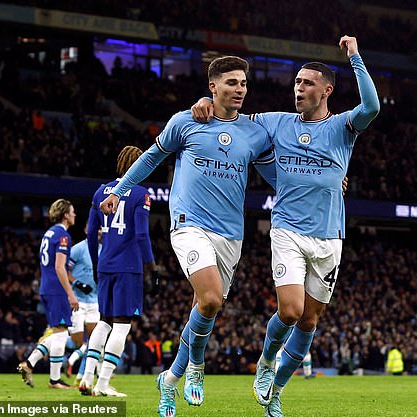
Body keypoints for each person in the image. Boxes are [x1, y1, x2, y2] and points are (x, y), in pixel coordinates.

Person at [194, 35, 380, 417]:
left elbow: (372, 106)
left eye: (307, 83)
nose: (298, 88)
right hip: (288, 231)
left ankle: (276, 392)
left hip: (330, 236)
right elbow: (234, 119)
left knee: (310, 319)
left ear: (327, 90)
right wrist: (203, 103)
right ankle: (266, 363)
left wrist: (355, 57)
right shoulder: (276, 123)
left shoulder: (344, 126)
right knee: (292, 311)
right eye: (296, 82)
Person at [99, 56, 276, 417]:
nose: (239, 89)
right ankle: (196, 365)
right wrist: (120, 188)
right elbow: (151, 158)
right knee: (210, 299)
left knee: (203, 307)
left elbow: (278, 177)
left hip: (231, 234)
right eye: (231, 83)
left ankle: (169, 380)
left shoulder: (255, 133)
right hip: (189, 224)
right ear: (213, 87)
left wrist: (323, 186)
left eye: (243, 83)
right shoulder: (187, 121)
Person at [78, 145, 157, 397]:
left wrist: (94, 263)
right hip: (129, 267)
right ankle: (102, 384)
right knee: (121, 326)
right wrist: (152, 266)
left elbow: (91, 234)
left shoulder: (100, 191)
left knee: (104, 321)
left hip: (105, 265)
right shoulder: (140, 194)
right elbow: (143, 234)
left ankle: (86, 377)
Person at [17, 199, 78, 389]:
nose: (75, 214)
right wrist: (70, 293)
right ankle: (53, 379)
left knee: (57, 332)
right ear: (65, 215)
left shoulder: (48, 233)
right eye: (72, 212)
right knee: (60, 333)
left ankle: (31, 364)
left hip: (46, 286)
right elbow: (60, 267)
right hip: (56, 289)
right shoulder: (63, 236)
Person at [65, 227, 101, 386]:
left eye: (101, 228)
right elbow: (63, 270)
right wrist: (77, 283)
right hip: (77, 301)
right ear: (87, 229)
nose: (99, 231)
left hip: (94, 301)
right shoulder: (78, 249)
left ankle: (82, 377)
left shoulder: (103, 249)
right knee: (78, 343)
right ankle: (65, 355)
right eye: (97, 228)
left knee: (94, 343)